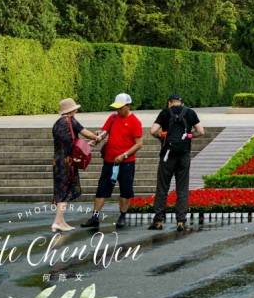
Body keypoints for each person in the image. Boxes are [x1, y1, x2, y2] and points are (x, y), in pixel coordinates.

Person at [81, 93, 143, 230]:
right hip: (109, 161)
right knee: (101, 190)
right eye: (117, 108)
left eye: (120, 108)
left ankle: (122, 216)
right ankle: (95, 217)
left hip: (126, 163)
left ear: (128, 106)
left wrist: (124, 155)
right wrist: (97, 138)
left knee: (126, 191)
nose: (118, 110)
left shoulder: (135, 122)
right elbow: (104, 132)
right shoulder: (113, 117)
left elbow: (139, 144)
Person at [148, 94, 204, 231]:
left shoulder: (165, 112)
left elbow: (152, 130)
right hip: (184, 155)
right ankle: (181, 221)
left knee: (162, 187)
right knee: (182, 188)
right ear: (181, 102)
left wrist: (161, 136)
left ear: (169, 103)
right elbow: (201, 131)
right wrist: (189, 136)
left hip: (167, 155)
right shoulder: (190, 112)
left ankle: (158, 221)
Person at [50, 97, 102, 232]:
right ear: (71, 110)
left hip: (58, 162)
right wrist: (96, 137)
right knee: (65, 192)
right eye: (75, 109)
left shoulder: (57, 124)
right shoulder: (71, 121)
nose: (76, 111)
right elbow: (85, 133)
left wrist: (84, 144)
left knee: (61, 191)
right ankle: (57, 221)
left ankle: (60, 221)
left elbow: (69, 143)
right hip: (68, 163)